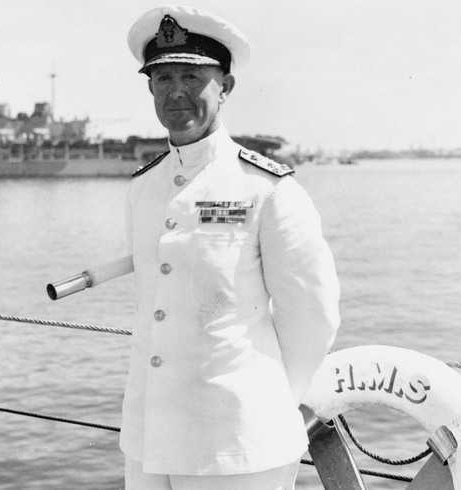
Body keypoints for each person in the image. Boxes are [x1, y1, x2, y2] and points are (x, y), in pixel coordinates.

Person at [121, 6, 341, 489]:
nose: (175, 92)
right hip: (148, 442)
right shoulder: (143, 188)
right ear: (150, 87)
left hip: (237, 448)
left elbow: (313, 316)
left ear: (225, 87)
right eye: (163, 78)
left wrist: (265, 407)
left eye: (191, 77)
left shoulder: (268, 189)